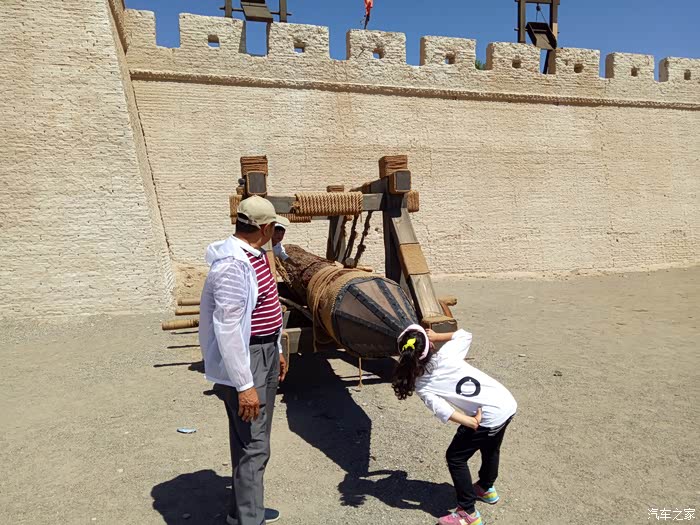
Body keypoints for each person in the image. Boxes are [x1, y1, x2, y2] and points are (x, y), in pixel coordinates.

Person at [199, 196, 289, 525]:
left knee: (249, 440)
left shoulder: (256, 255)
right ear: (264, 228)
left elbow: (266, 308)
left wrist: (278, 348)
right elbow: (228, 328)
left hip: (265, 352)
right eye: (273, 228)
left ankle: (242, 512)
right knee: (254, 445)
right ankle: (251, 519)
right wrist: (244, 385)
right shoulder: (232, 266)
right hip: (248, 359)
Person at [392, 324, 517, 525]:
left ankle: (468, 512)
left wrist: (469, 421)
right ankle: (485, 488)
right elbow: (464, 335)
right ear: (431, 345)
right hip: (505, 402)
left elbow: (441, 409)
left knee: (456, 457)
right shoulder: (446, 354)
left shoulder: (421, 383)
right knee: (491, 447)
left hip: (487, 415)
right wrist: (438, 335)